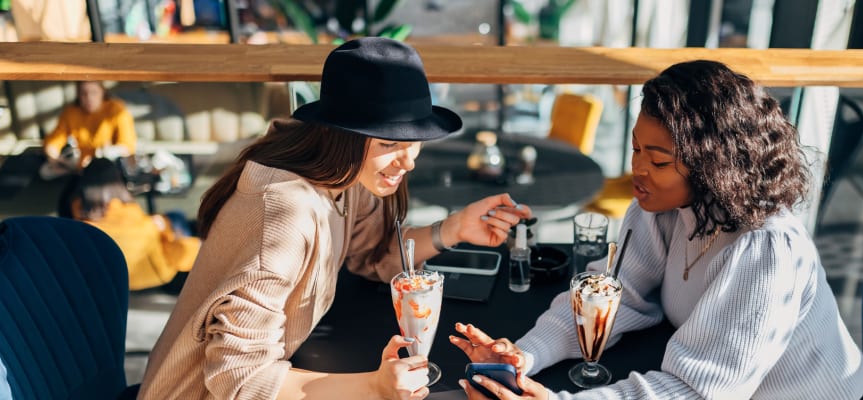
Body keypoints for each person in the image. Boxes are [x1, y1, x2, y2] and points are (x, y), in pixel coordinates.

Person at [138, 37, 532, 400]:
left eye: (414, 142)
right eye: (390, 143)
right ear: (344, 135)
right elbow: (239, 378)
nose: (408, 160)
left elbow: (372, 253)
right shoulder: (283, 217)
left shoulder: (344, 175)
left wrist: (455, 228)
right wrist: (375, 386)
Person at [451, 60, 863, 399]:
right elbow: (608, 295)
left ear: (713, 166)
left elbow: (698, 392)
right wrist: (523, 355)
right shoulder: (663, 206)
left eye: (659, 160)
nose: (638, 170)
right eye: (636, 149)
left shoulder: (767, 249)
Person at [67, 157, 200, 291]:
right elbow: (144, 230)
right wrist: (162, 225)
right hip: (155, 273)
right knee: (177, 216)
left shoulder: (78, 209)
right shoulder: (129, 208)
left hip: (115, 280)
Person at [40, 80, 137, 180]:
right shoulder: (71, 112)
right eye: (84, 93)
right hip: (80, 168)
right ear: (78, 94)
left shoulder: (117, 110)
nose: (89, 98)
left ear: (103, 92)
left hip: (109, 167)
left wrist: (103, 153)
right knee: (45, 172)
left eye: (94, 92)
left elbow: (127, 147)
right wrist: (54, 158)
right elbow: (53, 141)